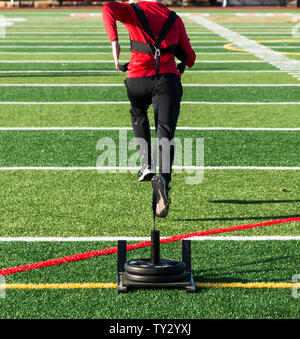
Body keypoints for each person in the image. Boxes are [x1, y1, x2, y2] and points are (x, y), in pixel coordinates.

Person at [102, 0, 196, 218]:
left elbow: (107, 7)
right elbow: (190, 58)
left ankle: (146, 163)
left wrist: (114, 41)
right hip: (166, 81)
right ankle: (163, 177)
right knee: (165, 132)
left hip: (137, 80)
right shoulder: (174, 19)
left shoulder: (132, 11)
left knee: (138, 112)